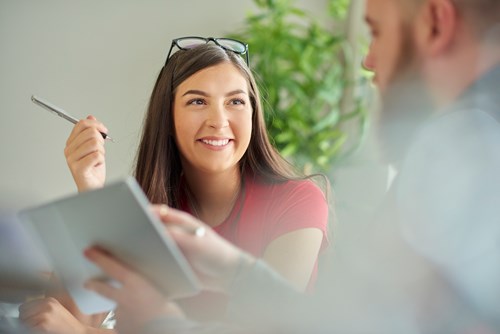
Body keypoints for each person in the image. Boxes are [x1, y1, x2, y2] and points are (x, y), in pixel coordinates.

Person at [83, 0, 500, 332]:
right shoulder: (450, 158)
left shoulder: (469, 169)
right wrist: (235, 270)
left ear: (436, 25)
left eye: (375, 31)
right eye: (196, 101)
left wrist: (159, 322)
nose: (367, 61)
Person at [18, 38, 330, 333]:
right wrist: (90, 190)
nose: (218, 120)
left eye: (235, 101)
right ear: (168, 118)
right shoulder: (150, 205)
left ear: (253, 114)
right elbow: (70, 316)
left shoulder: (299, 202)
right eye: (197, 101)